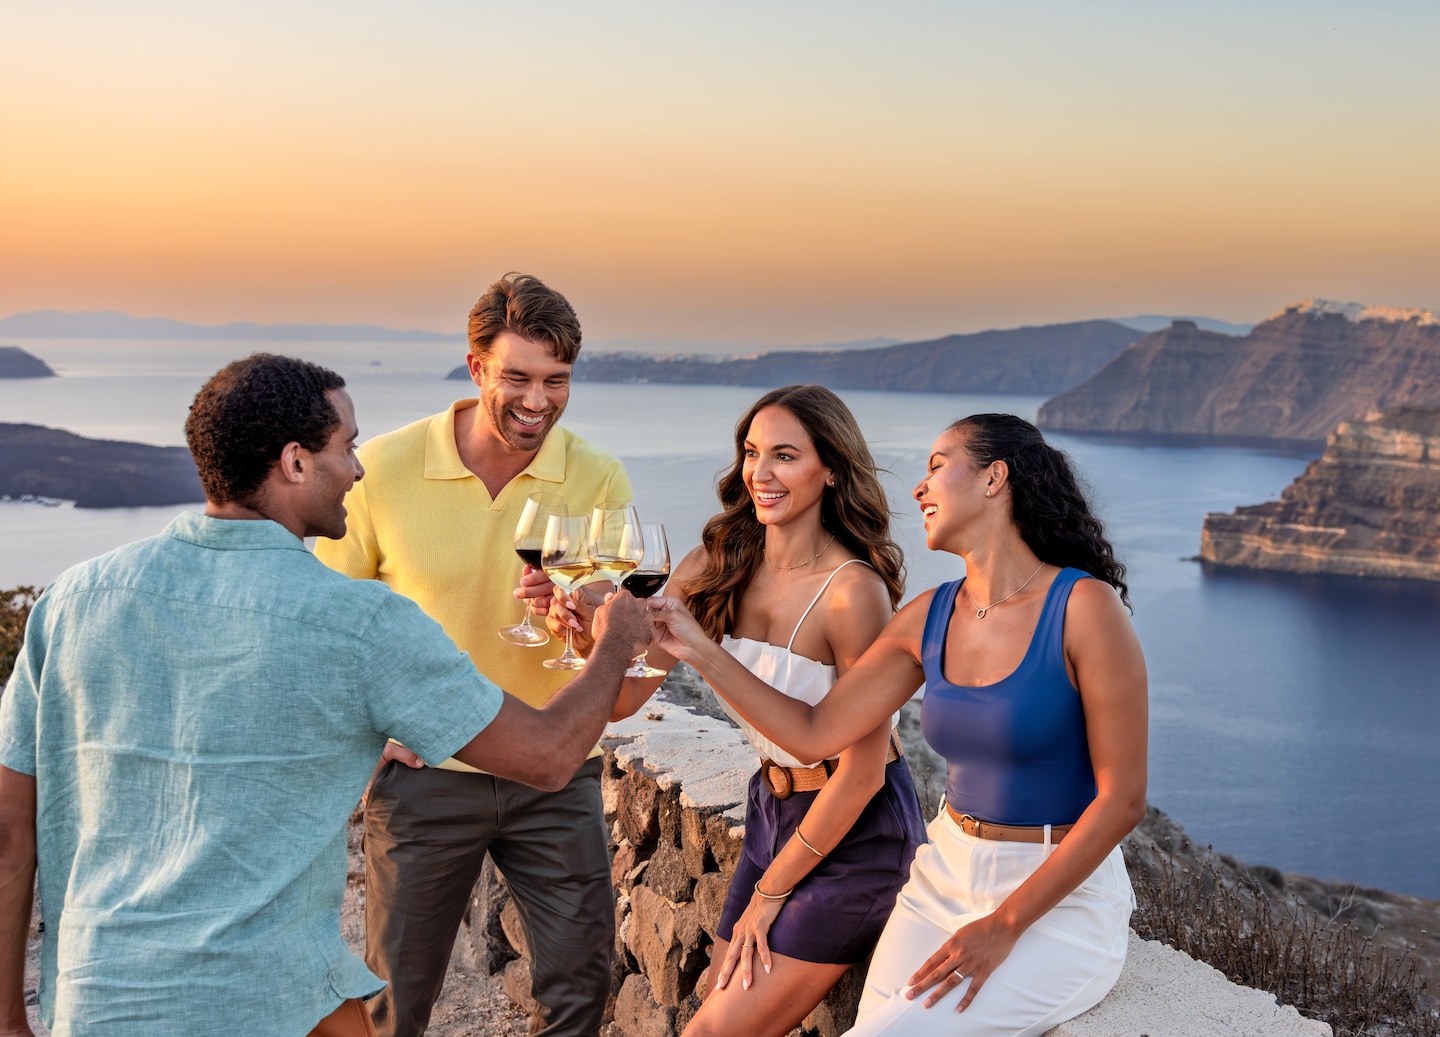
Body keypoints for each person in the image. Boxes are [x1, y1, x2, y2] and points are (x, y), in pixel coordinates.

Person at [0, 353, 651, 1037]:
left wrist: (12, 1023)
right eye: (346, 447)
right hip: (272, 1001)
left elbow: (11, 834)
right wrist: (614, 638)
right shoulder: (361, 623)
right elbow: (549, 756)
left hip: (98, 1003)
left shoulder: (74, 600)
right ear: (295, 462)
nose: (360, 468)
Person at [649, 413, 1147, 1037]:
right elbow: (811, 732)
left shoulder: (1084, 607)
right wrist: (699, 649)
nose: (919, 487)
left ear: (996, 478)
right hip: (941, 878)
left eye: (938, 466)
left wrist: (1005, 924)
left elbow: (1122, 800)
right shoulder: (929, 616)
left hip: (1057, 900)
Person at [313, 273, 632, 1037]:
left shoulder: (596, 475)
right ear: (475, 366)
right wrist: (374, 726)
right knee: (396, 1002)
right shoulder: (383, 469)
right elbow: (327, 624)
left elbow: (614, 629)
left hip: (555, 775)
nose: (538, 400)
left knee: (581, 991)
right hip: (427, 781)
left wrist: (583, 617)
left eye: (557, 380)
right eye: (517, 376)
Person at [554, 385, 926, 1037]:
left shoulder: (852, 593)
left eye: (785, 454)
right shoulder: (714, 563)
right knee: (713, 1000)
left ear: (831, 468)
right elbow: (624, 698)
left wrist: (770, 892)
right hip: (771, 811)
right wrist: (584, 636)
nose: (760, 472)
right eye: (752, 452)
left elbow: (863, 774)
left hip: (858, 831)